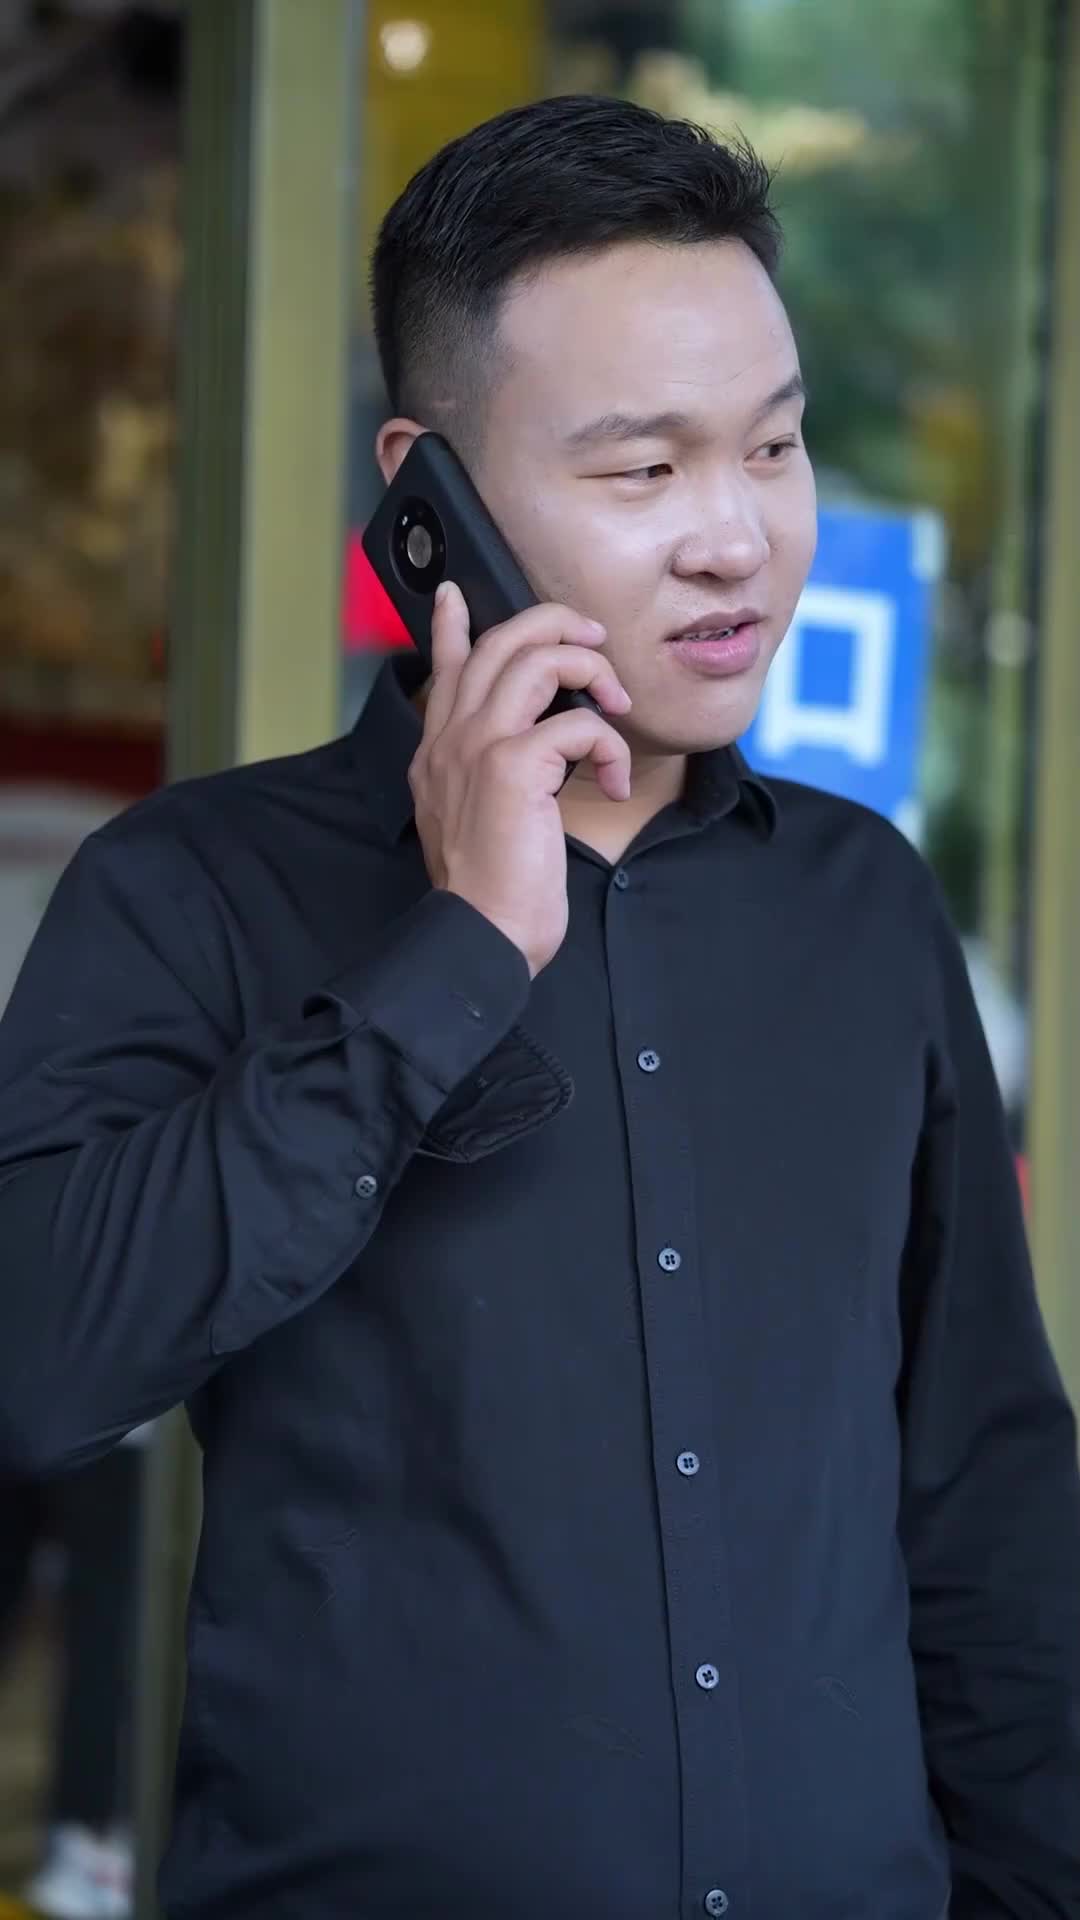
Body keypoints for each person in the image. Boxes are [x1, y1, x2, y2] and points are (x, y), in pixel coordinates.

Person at [0, 93, 1077, 1920]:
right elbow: (39, 1365)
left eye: (777, 446)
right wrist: (459, 952)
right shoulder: (193, 890)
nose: (738, 539)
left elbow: (981, 1497)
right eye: (645, 471)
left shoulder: (865, 908)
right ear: (431, 497)